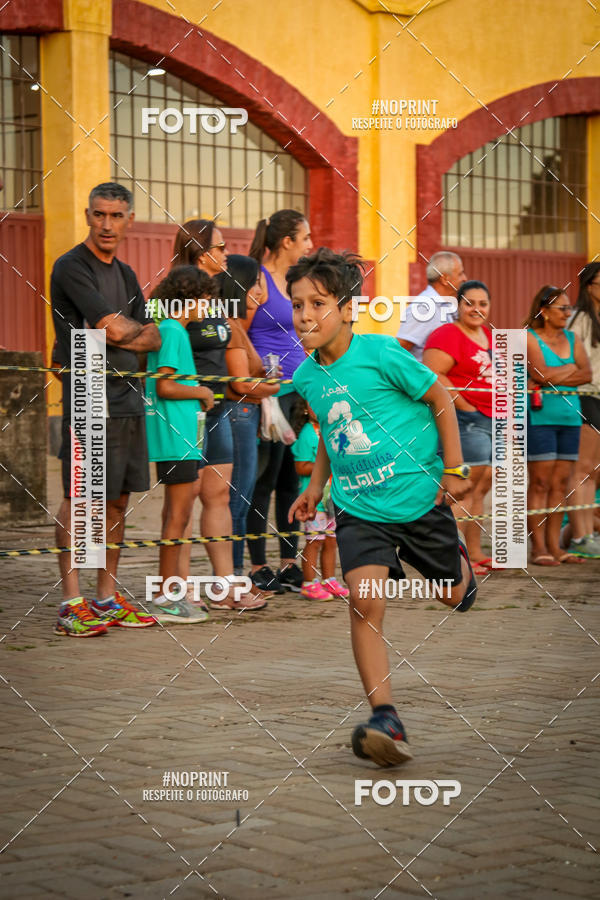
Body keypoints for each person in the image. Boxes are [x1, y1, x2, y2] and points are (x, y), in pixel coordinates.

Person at [288, 248, 476, 767]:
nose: (305, 315)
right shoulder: (307, 377)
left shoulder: (381, 354)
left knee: (453, 596)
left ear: (347, 308)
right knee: (364, 601)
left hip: (417, 498)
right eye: (298, 304)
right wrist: (316, 489)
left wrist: (455, 467)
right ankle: (386, 716)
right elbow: (328, 431)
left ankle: (456, 564)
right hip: (358, 508)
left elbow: (438, 395)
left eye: (318, 303)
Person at [50, 182, 160, 637]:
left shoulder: (128, 274)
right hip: (87, 389)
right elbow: (112, 332)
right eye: (99, 214)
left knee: (117, 500)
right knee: (82, 500)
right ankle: (71, 603)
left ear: (129, 220)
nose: (107, 224)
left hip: (128, 393)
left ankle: (106, 598)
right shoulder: (71, 266)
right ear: (88, 215)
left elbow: (152, 337)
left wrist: (125, 332)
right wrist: (124, 332)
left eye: (116, 216)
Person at [173, 266, 267, 611]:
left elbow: (249, 362)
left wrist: (232, 324)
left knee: (219, 498)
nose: (224, 255)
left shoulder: (219, 310)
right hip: (186, 416)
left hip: (218, 411)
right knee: (184, 499)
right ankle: (178, 588)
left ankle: (226, 588)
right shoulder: (169, 305)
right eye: (218, 248)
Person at [245, 209, 314, 594]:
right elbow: (241, 329)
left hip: (296, 391)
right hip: (268, 396)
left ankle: (290, 561)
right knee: (264, 479)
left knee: (292, 478)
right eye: (305, 238)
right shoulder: (256, 278)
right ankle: (257, 564)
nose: (309, 245)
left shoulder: (294, 281)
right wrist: (255, 381)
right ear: (286, 241)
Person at [146, 267, 217, 624]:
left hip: (182, 435)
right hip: (176, 435)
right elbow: (164, 386)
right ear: (190, 297)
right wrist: (202, 392)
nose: (207, 307)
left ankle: (168, 592)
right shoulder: (173, 331)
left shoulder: (172, 330)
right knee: (178, 516)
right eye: (205, 299)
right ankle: (165, 595)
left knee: (178, 515)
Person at [423, 281, 493, 572]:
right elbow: (433, 373)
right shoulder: (447, 335)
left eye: (483, 303)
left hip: (491, 420)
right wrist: (465, 406)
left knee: (480, 490)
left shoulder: (489, 335)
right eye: (470, 303)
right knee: (461, 489)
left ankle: (474, 552)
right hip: (465, 421)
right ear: (459, 305)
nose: (477, 309)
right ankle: (453, 557)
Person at [220, 254, 281, 574]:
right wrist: (276, 385)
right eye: (255, 284)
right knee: (237, 501)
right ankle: (235, 574)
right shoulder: (230, 327)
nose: (261, 291)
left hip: (247, 414)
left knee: (243, 499)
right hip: (240, 414)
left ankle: (237, 573)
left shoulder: (238, 325)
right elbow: (242, 385)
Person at [525, 285, 592, 566]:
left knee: (560, 485)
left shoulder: (573, 338)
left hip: (570, 418)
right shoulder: (528, 338)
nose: (568, 313)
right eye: (562, 308)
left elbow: (586, 374)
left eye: (569, 308)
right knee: (540, 483)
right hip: (540, 419)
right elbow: (539, 373)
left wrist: (554, 375)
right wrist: (568, 371)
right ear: (544, 311)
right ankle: (538, 547)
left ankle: (555, 547)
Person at [291, 400, 349, 601]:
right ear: (306, 408)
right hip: (314, 500)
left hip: (333, 497)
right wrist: (326, 465)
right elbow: (301, 467)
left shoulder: (330, 431)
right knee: (314, 541)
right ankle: (308, 583)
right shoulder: (308, 434)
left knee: (332, 541)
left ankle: (329, 579)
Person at [566, 262, 600, 558]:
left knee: (593, 472)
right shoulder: (578, 319)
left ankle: (587, 534)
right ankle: (579, 535)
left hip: (599, 397)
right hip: (583, 397)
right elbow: (570, 361)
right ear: (589, 286)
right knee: (581, 471)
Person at [397, 251, 466, 361]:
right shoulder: (424, 307)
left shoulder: (447, 304)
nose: (465, 278)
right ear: (445, 279)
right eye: (460, 274)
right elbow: (400, 348)